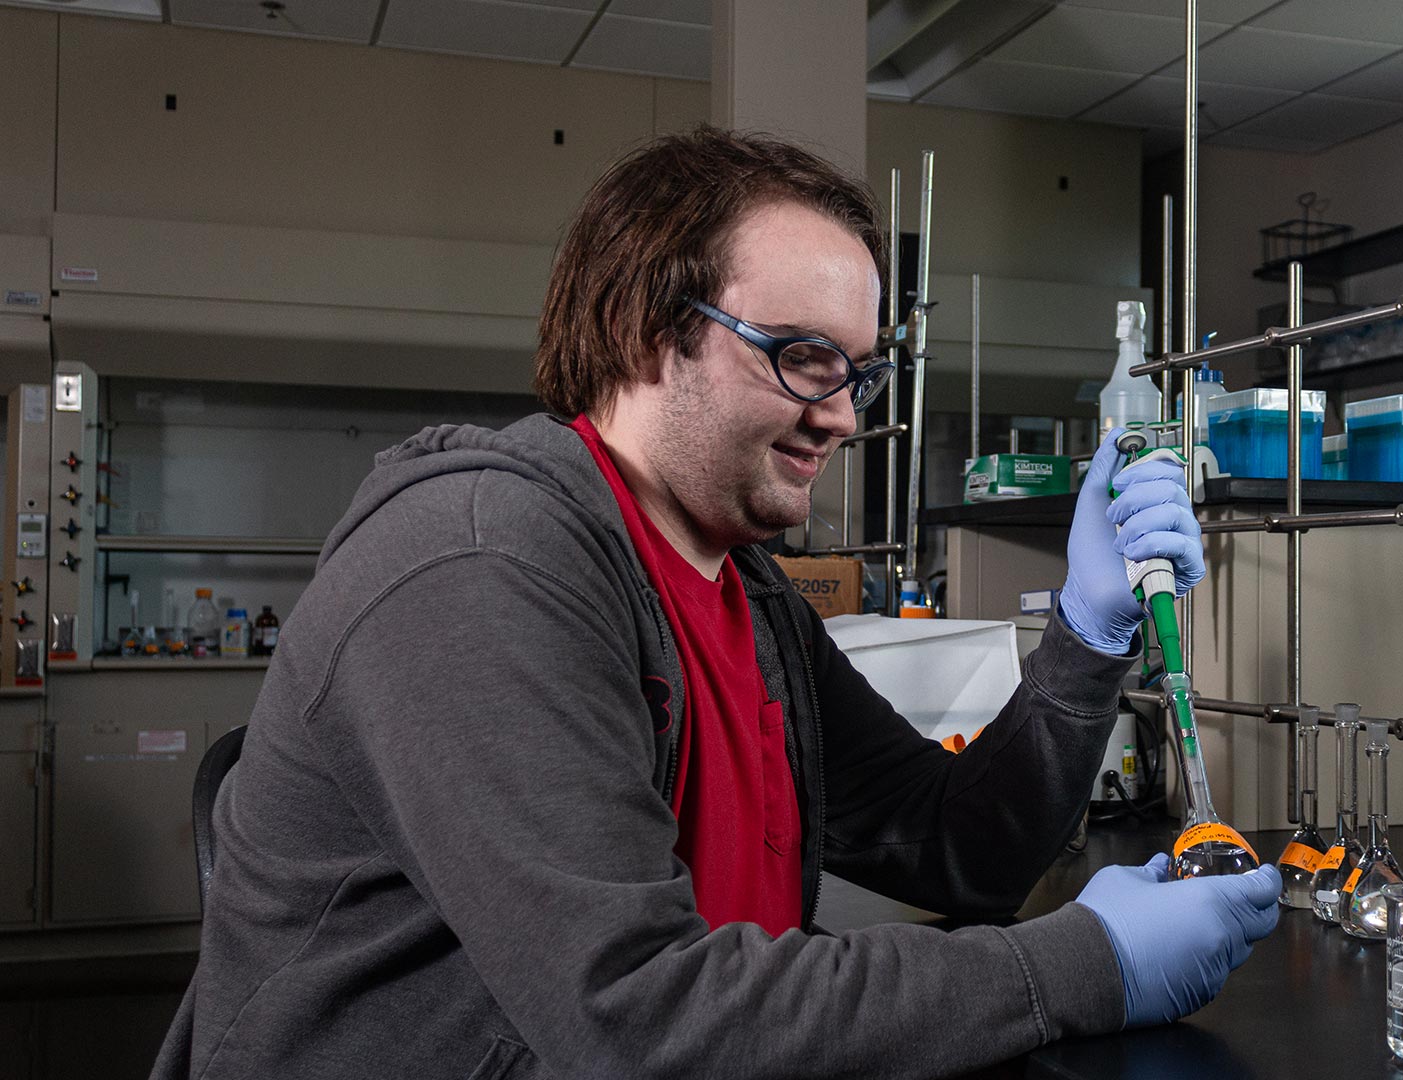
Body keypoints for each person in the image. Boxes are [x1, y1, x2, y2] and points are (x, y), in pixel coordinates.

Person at [152, 126, 1280, 1080]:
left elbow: (956, 849)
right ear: (648, 332)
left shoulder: (746, 594)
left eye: (860, 372)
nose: (844, 416)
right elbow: (636, 1016)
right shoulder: (481, 568)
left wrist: (1087, 635)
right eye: (802, 357)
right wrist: (1087, 964)